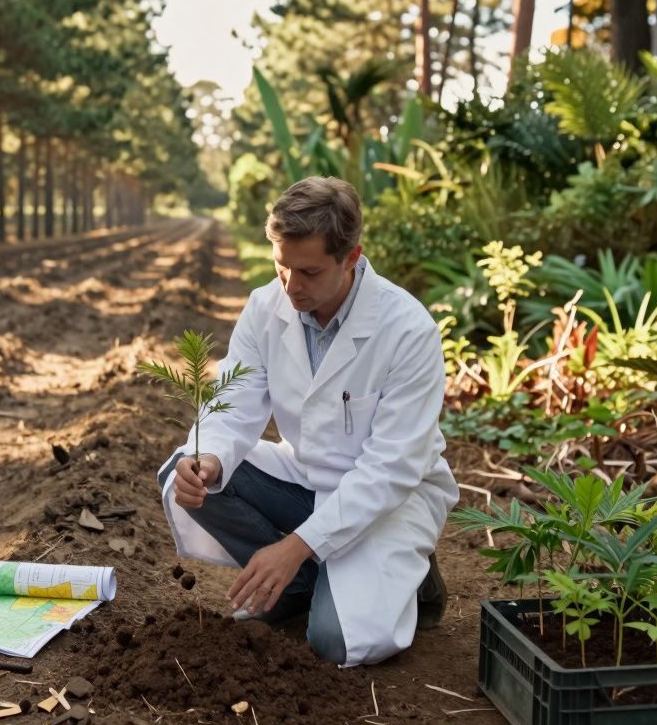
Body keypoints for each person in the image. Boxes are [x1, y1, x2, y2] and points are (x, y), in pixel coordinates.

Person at [155, 177, 459, 667]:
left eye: (309, 272)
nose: (291, 286)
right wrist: (209, 458)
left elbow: (391, 468)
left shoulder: (407, 330)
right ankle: (298, 587)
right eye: (281, 266)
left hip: (387, 499)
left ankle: (416, 581)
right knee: (184, 473)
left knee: (334, 642)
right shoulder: (265, 308)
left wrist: (296, 545)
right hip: (307, 477)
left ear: (351, 257)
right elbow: (233, 401)